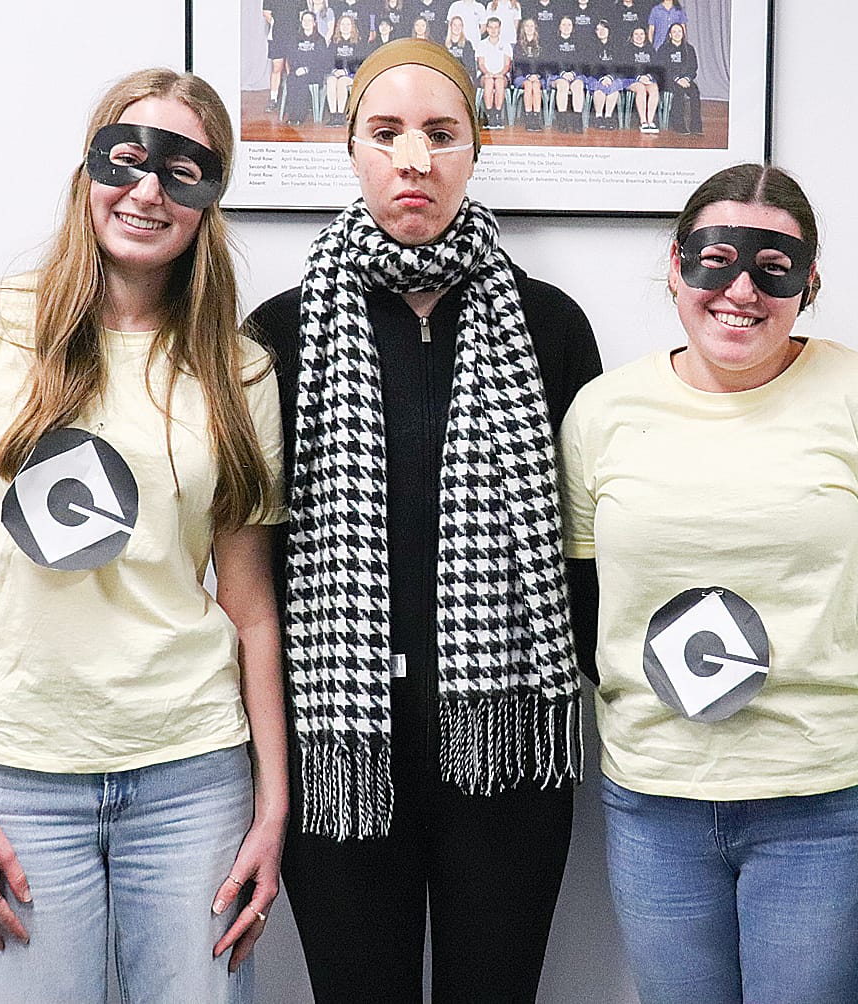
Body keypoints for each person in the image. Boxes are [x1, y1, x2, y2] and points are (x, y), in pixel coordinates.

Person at [0, 68, 287, 1003]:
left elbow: (249, 606)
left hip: (192, 774)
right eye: (127, 158)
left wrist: (274, 805)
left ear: (209, 201)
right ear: (88, 170)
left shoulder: (240, 371)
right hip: (21, 777)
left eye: (183, 170)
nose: (149, 189)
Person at [246, 38, 601, 1004]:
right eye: (387, 132)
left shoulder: (549, 326)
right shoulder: (280, 332)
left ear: (475, 150)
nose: (415, 159)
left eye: (441, 134)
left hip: (505, 739)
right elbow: (251, 557)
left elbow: (587, 544)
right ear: (352, 149)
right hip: (341, 742)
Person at [559, 164, 858, 1004]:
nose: (740, 291)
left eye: (773, 268)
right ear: (674, 265)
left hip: (825, 799)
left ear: (809, 282)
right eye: (715, 259)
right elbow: (587, 605)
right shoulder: (602, 413)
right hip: (657, 795)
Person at [284, 10, 332, 125]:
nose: (306, 23)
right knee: (292, 79)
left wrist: (307, 69)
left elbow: (322, 61)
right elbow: (291, 56)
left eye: (309, 20)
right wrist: (297, 68)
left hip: (314, 73)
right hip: (297, 70)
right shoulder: (295, 38)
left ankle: (300, 116)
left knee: (302, 80)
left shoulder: (320, 40)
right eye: (304, 20)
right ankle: (292, 115)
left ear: (314, 23)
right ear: (301, 22)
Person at [656, 20, 698, 134]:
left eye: (679, 31)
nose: (677, 34)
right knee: (678, 92)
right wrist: (677, 79)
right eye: (674, 32)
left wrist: (686, 78)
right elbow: (662, 68)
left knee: (695, 92)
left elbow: (693, 67)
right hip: (669, 80)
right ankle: (679, 125)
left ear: (683, 34)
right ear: (670, 34)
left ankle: (696, 126)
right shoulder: (663, 49)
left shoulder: (689, 49)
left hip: (685, 79)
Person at [549, 15, 586, 133]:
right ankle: (562, 122)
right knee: (563, 85)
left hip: (575, 74)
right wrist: (563, 73)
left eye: (569, 25)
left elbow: (582, 62)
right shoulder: (552, 42)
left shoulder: (579, 43)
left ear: (573, 27)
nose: (566, 27)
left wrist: (573, 73)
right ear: (559, 27)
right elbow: (550, 62)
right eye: (563, 24)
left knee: (578, 86)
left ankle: (577, 123)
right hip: (557, 75)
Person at [327, 13, 366, 125]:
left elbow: (359, 62)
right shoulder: (334, 43)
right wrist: (335, 71)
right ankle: (333, 115)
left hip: (352, 74)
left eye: (348, 24)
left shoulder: (358, 43)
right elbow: (328, 60)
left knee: (342, 82)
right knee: (331, 81)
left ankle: (340, 115)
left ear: (352, 26)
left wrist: (346, 71)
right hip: (336, 73)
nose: (345, 27)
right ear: (339, 26)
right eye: (342, 24)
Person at [475, 15, 513, 129]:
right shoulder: (481, 44)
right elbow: (481, 64)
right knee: (490, 82)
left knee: (499, 82)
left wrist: (500, 74)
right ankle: (489, 115)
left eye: (496, 27)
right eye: (491, 27)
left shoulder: (506, 45)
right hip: (485, 75)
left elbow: (507, 64)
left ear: (500, 28)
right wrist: (488, 73)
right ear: (487, 29)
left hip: (502, 75)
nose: (493, 30)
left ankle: (497, 115)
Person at [622, 24, 659, 133]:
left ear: (645, 36)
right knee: (640, 88)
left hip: (647, 78)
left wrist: (648, 76)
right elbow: (625, 68)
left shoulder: (650, 49)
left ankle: (650, 121)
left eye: (642, 34)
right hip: (631, 79)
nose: (639, 36)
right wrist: (638, 77)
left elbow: (656, 66)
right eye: (636, 34)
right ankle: (643, 121)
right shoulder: (626, 49)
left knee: (654, 88)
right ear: (632, 36)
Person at [513, 17, 548, 132]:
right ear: (523, 28)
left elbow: (544, 64)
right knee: (528, 85)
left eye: (531, 26)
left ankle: (536, 118)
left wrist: (537, 75)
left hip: (538, 76)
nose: (529, 28)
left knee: (536, 85)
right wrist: (528, 76)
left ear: (535, 28)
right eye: (527, 26)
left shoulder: (541, 46)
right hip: (522, 76)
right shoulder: (518, 46)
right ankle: (528, 118)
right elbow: (518, 65)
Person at [587, 19, 622, 130]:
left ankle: (608, 116)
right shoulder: (590, 47)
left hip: (612, 77)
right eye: (598, 29)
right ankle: (598, 117)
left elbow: (619, 65)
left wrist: (610, 77)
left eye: (604, 28)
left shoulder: (617, 46)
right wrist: (602, 78)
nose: (601, 31)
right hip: (596, 76)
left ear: (609, 30)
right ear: (595, 32)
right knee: (599, 88)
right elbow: (590, 66)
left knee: (614, 87)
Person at [442, 14, 479, 83]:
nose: (457, 28)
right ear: (450, 26)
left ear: (462, 27)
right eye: (454, 25)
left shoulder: (467, 44)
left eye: (459, 25)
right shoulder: (443, 44)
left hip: (463, 77)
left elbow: (470, 66)